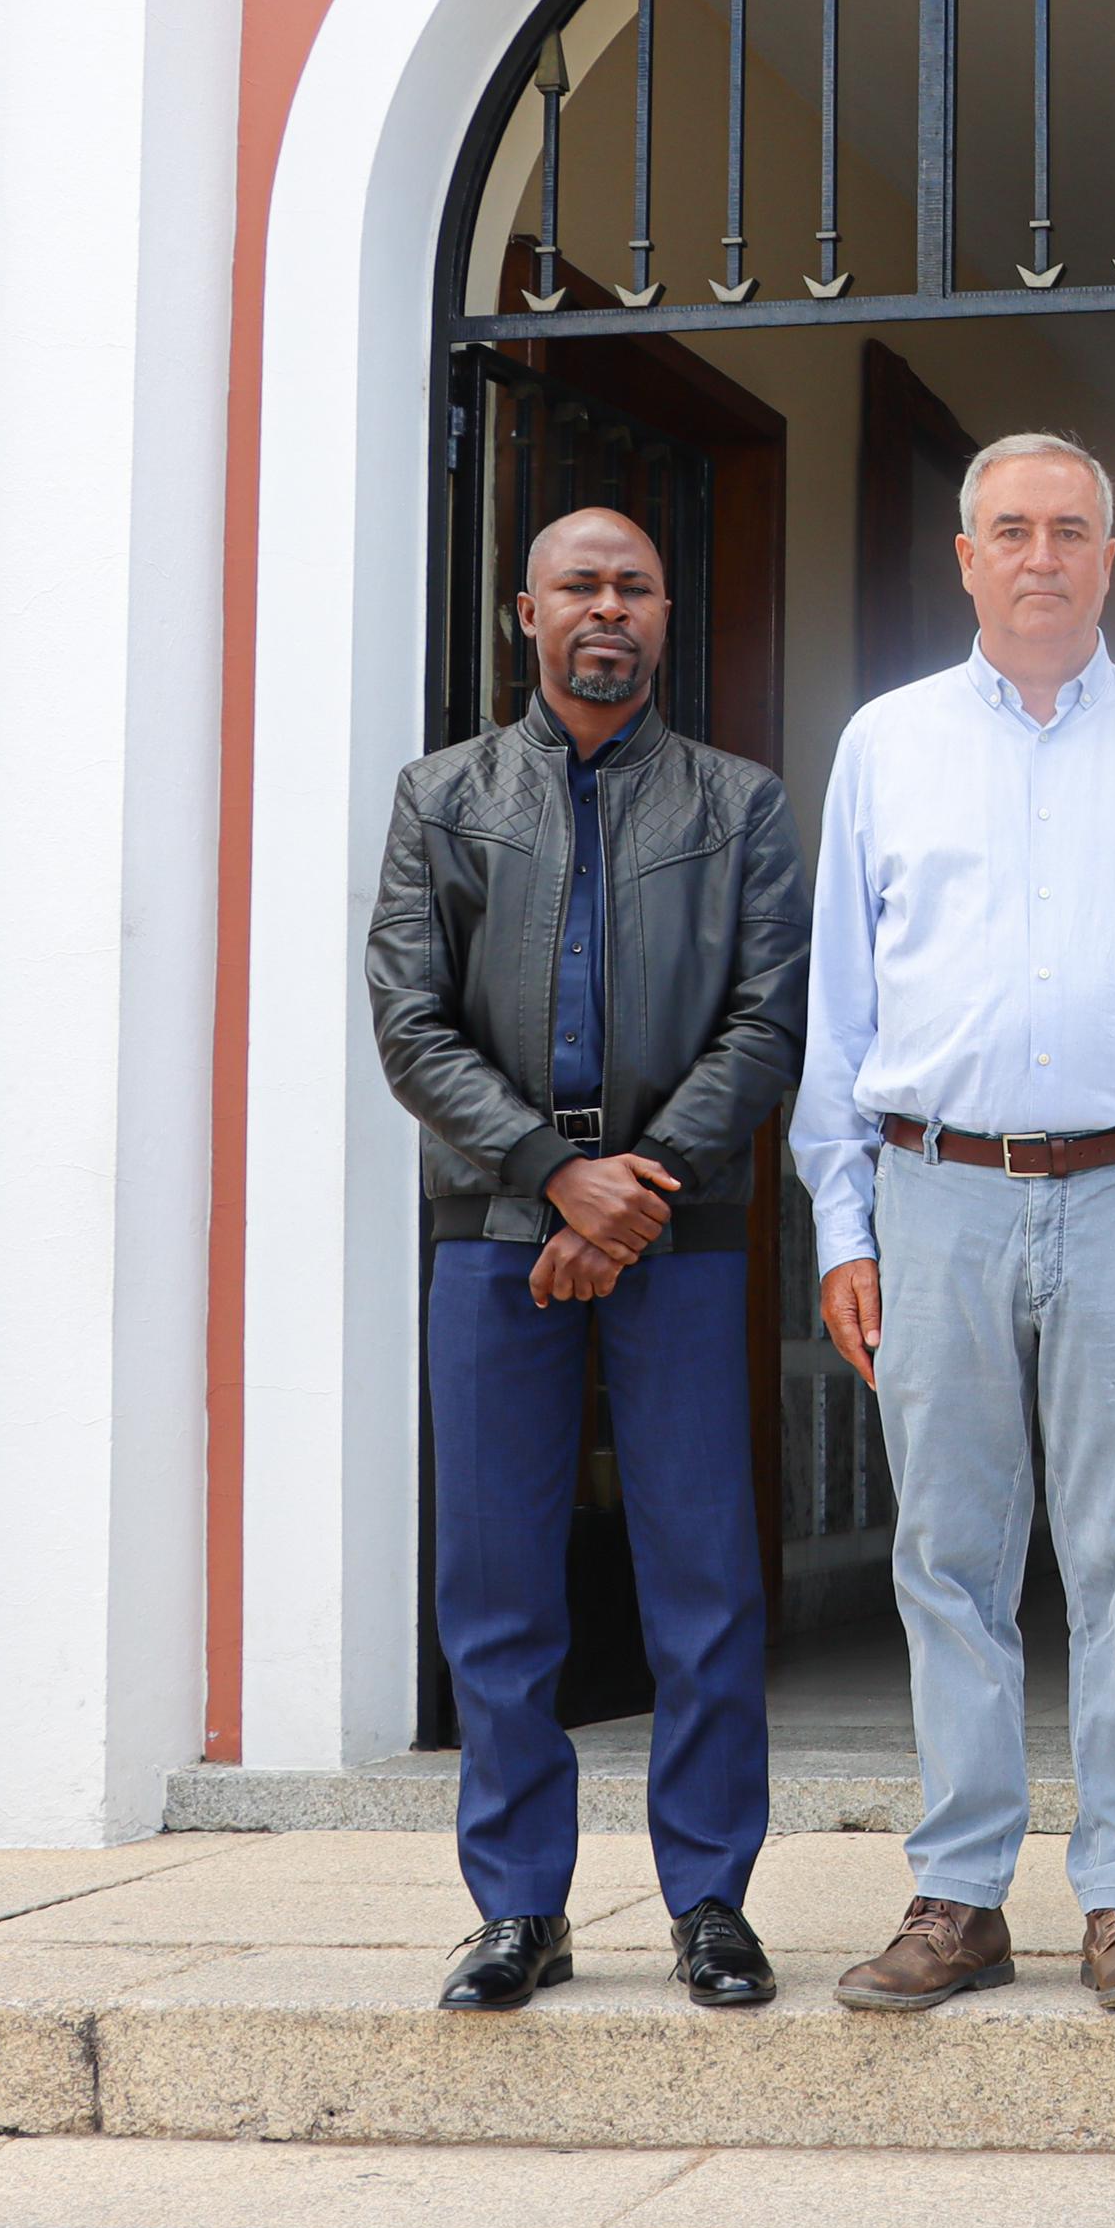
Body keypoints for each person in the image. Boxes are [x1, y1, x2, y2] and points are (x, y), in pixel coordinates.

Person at [796, 431, 1115, 2016]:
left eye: (1071, 529)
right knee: (946, 1553)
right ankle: (959, 1893)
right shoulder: (886, 746)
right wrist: (842, 1225)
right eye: (1010, 529)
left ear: (1109, 557)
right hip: (934, 1190)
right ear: (964, 557)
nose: (1041, 556)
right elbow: (838, 1014)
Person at [366, 507, 806, 2015]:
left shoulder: (739, 806)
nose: (606, 607)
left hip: (680, 1237)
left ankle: (709, 1902)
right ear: (524, 612)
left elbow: (768, 1024)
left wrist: (632, 1193)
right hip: (496, 1235)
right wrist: (557, 1179)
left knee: (705, 1578)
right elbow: (411, 1024)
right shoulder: (444, 799)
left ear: (667, 613)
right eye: (579, 586)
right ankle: (517, 1909)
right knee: (497, 1589)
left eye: (634, 583)